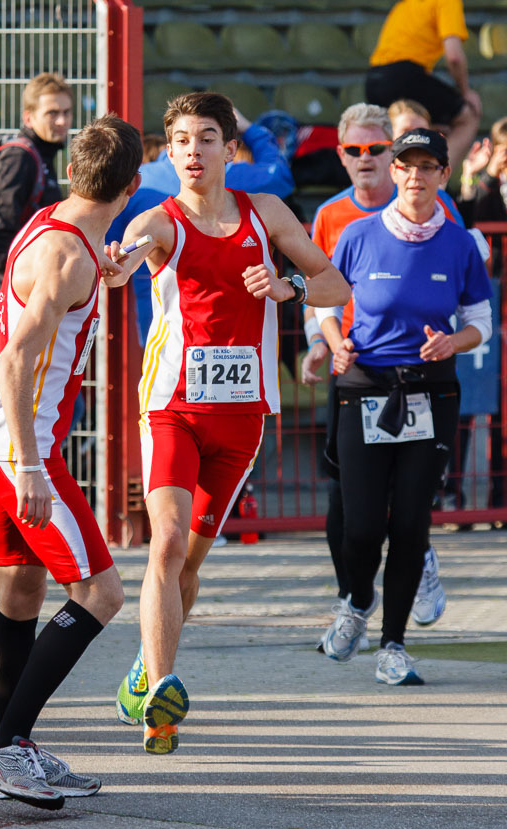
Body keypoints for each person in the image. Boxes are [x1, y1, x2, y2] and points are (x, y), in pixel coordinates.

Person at [104, 92, 350, 754]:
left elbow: (335, 286)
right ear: (166, 151)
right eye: (180, 139)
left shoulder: (264, 213)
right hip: (172, 409)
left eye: (206, 138)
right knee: (166, 543)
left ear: (230, 149)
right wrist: (120, 260)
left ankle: (142, 668)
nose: (192, 150)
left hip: (242, 418)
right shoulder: (159, 219)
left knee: (189, 561)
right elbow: (130, 251)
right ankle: (163, 695)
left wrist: (287, 288)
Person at [0, 114, 143, 809]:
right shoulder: (69, 255)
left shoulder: (53, 223)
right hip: (21, 448)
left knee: (20, 592)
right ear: (130, 186)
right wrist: (32, 466)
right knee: (100, 594)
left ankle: (16, 748)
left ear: (72, 171)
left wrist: (111, 266)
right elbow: (14, 356)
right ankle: (5, 751)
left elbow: (68, 276)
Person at [315, 128, 492, 684]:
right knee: (363, 526)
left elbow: (480, 324)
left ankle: (394, 645)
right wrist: (334, 340)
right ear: (394, 171)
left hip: (431, 389)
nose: (416, 175)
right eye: (407, 165)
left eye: (428, 166)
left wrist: (452, 342)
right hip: (364, 386)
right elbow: (327, 299)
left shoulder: (460, 243)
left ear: (443, 175)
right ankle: (357, 603)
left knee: (412, 523)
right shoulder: (358, 234)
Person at [302, 104, 458, 647]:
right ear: (342, 156)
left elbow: (458, 279)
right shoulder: (331, 217)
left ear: (392, 156)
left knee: (410, 494)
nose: (365, 159)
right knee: (347, 498)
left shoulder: (438, 208)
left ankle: (419, 556)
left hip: (417, 376)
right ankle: (353, 599)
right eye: (354, 151)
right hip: (354, 372)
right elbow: (316, 291)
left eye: (375, 149)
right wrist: (321, 344)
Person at [106, 106, 296, 346]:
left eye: (205, 140)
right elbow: (279, 175)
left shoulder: (138, 182)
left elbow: (110, 257)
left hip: (165, 334)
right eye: (186, 140)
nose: (194, 150)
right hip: (231, 334)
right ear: (171, 150)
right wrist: (249, 129)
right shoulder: (228, 176)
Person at [0, 72, 74, 332]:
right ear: (28, 117)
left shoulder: (41, 155)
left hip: (24, 286)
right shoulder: (19, 158)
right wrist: (19, 285)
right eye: (52, 113)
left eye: (67, 112)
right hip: (9, 289)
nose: (62, 121)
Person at [365, 0, 482, 172]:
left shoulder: (404, 5)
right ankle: (438, 182)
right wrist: (465, 91)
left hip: (374, 81)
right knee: (467, 117)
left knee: (431, 126)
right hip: (405, 77)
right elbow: (454, 57)